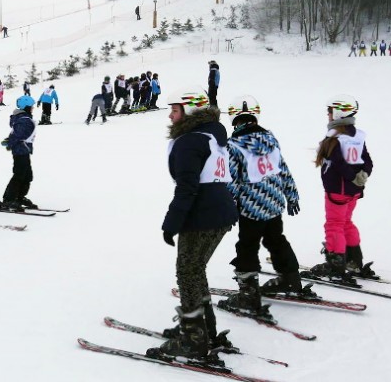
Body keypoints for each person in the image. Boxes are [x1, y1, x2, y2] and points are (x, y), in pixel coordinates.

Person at [146, 89, 238, 365]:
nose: (170, 115)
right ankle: (203, 330)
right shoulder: (211, 135)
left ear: (190, 111)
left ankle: (193, 341)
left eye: (175, 110)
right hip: (220, 211)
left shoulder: (189, 141)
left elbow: (188, 187)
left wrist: (171, 223)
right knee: (195, 269)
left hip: (203, 214)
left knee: (187, 271)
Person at [216, 95, 313, 317]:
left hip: (251, 208)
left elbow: (232, 181)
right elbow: (283, 168)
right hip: (274, 203)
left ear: (234, 119)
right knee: (276, 240)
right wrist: (291, 194)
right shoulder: (270, 138)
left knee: (247, 246)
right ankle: (291, 279)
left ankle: (248, 295)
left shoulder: (233, 146)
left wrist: (227, 207)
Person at [309, 94, 375, 281]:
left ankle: (335, 264)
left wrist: (354, 176)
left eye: (330, 111)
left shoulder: (335, 137)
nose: (328, 115)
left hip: (338, 191)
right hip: (353, 192)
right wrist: (363, 174)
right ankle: (354, 260)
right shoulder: (357, 136)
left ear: (339, 112)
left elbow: (337, 163)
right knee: (346, 222)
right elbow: (367, 160)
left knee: (334, 225)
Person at [0, 95, 38, 211]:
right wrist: (10, 142)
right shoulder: (24, 120)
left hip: (24, 150)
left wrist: (10, 141)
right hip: (20, 151)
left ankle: (19, 197)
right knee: (19, 175)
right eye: (32, 107)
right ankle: (9, 199)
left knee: (27, 175)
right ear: (26, 107)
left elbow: (16, 134)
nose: (33, 108)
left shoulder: (23, 119)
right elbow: (18, 135)